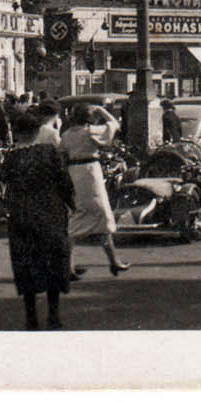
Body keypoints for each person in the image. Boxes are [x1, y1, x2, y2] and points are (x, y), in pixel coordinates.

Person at [0, 109, 75, 330]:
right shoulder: (50, 153)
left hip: (22, 216)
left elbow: (4, 179)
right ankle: (53, 315)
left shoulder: (12, 157)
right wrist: (72, 204)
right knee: (53, 263)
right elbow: (64, 182)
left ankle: (31, 316)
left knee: (27, 266)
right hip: (50, 213)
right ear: (37, 132)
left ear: (17, 133)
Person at [60, 105, 130, 276]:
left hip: (74, 171)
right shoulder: (91, 131)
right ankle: (70, 267)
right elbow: (114, 125)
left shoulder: (67, 135)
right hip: (91, 171)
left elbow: (62, 153)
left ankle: (113, 261)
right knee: (98, 213)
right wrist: (102, 110)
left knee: (89, 214)